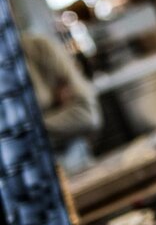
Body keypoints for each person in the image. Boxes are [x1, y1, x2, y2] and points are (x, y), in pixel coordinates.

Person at [21, 32, 102, 172]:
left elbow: (87, 115)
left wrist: (17, 135)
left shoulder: (38, 49)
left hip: (75, 169)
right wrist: (57, 115)